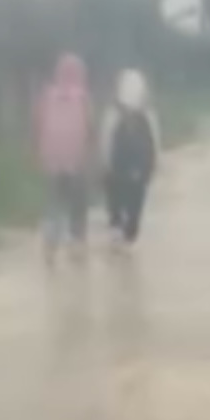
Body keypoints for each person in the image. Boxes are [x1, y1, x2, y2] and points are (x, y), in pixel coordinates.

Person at [34, 52, 94, 264]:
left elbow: (38, 123)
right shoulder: (83, 96)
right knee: (77, 201)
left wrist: (39, 150)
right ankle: (76, 241)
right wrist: (91, 151)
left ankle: (50, 242)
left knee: (54, 201)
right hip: (76, 156)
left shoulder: (48, 95)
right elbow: (90, 126)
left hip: (52, 156)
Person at [100, 68, 160, 248]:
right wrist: (154, 165)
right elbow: (155, 142)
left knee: (115, 198)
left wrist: (105, 164)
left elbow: (105, 141)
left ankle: (116, 227)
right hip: (140, 169)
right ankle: (129, 233)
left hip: (117, 167)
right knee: (136, 200)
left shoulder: (113, 113)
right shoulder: (148, 114)